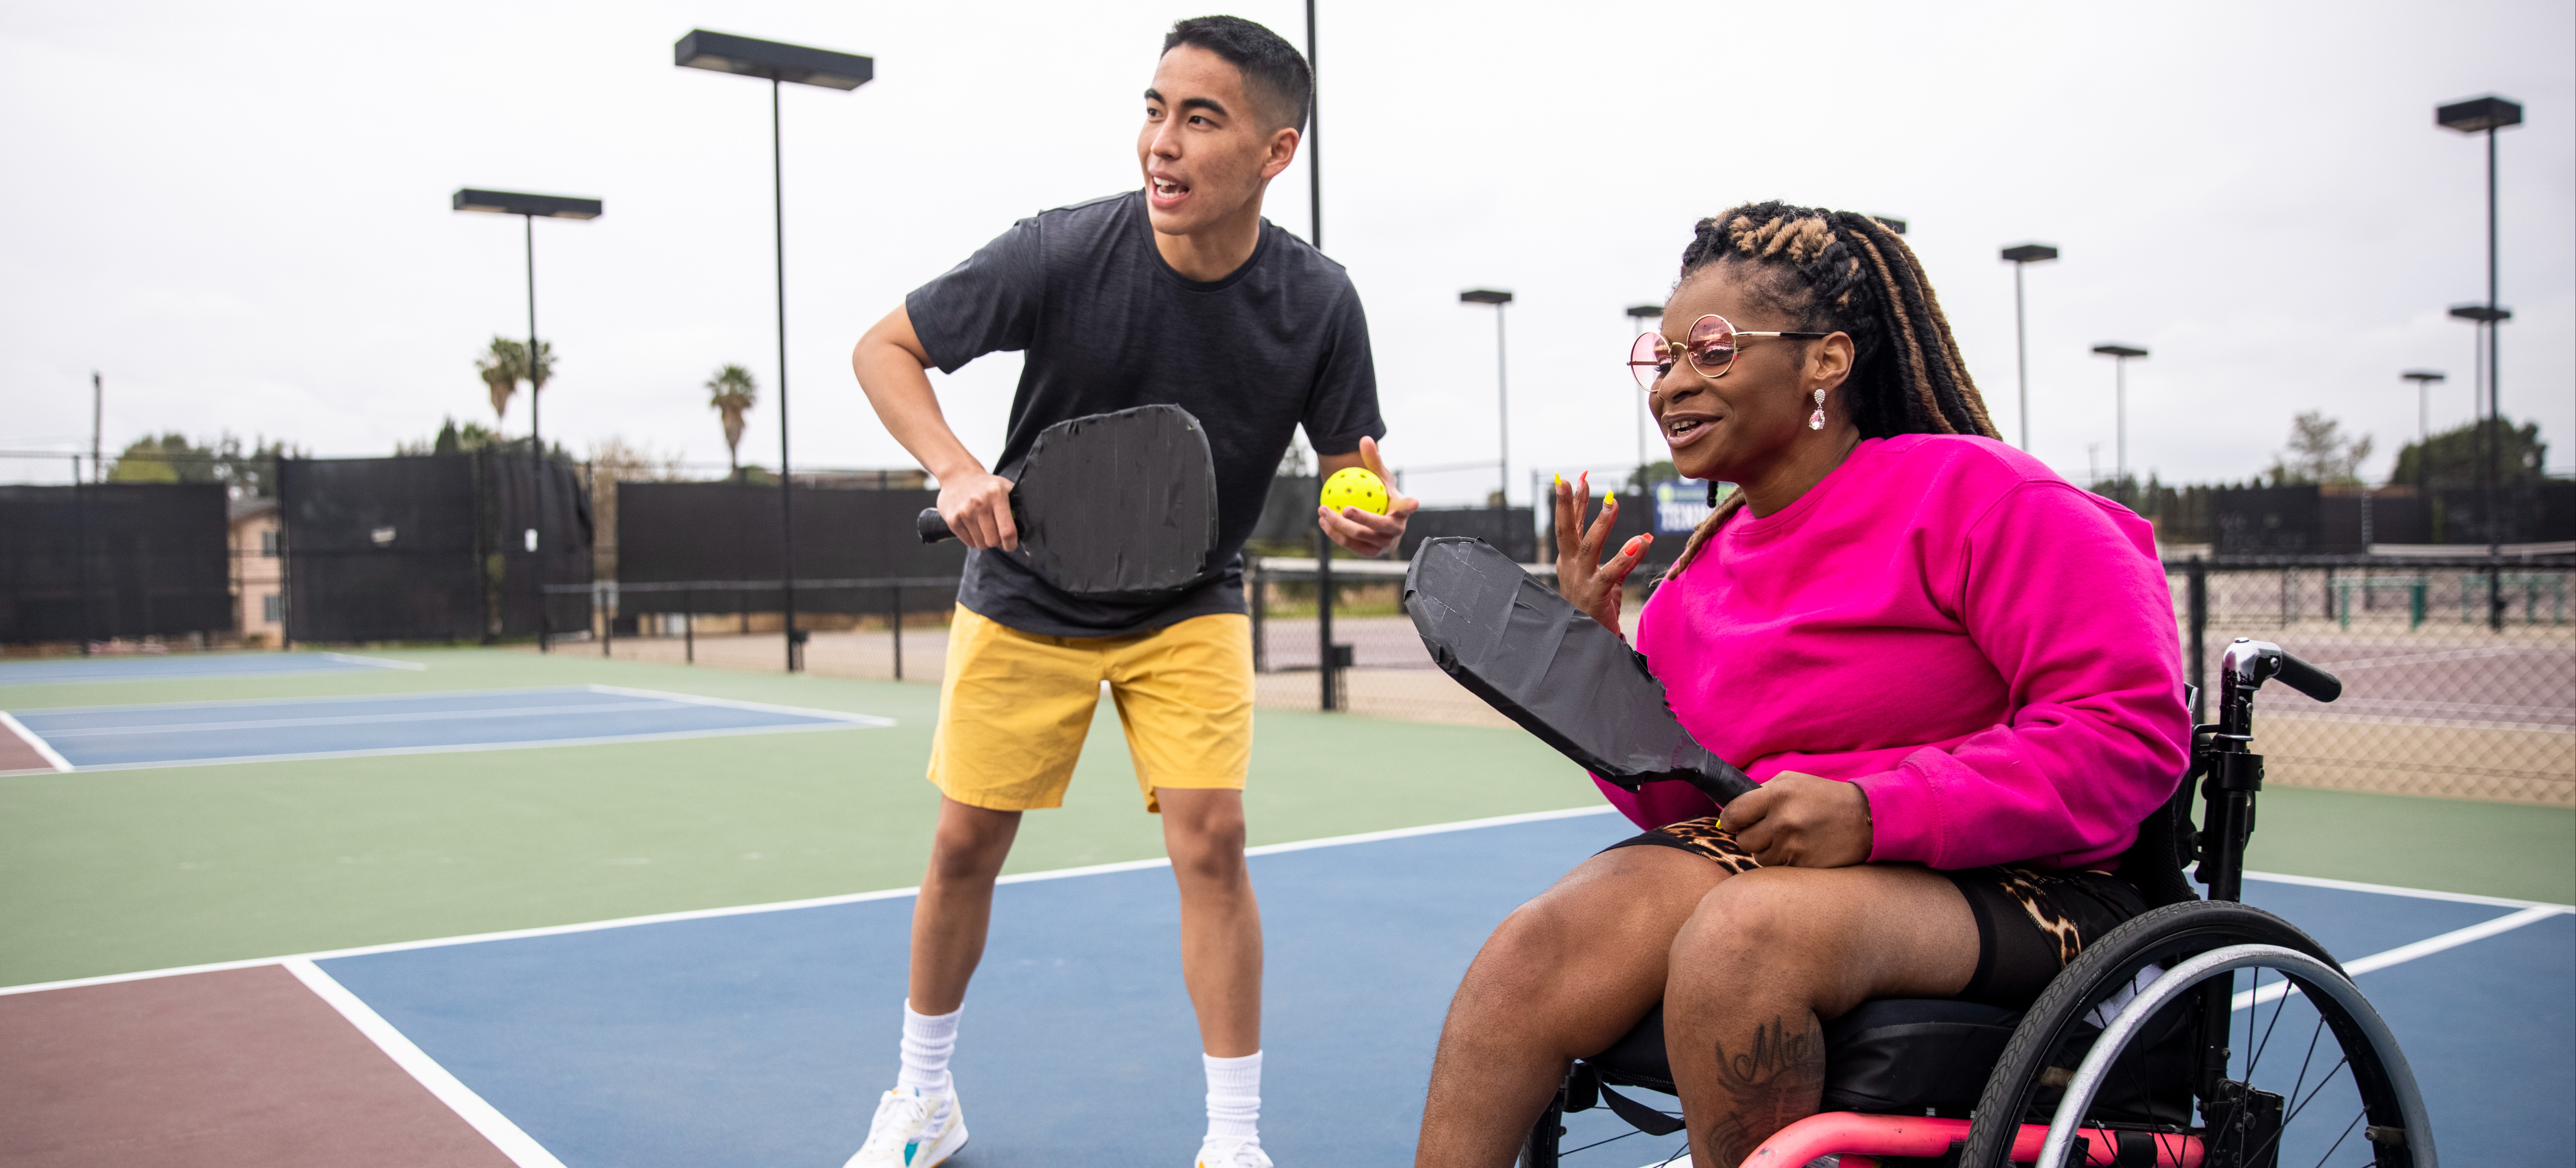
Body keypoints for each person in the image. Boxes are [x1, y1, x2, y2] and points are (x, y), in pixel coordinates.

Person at [1411, 203, 2189, 1168]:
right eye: (1662, 358)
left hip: (2031, 883)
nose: (1674, 383)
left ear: (1825, 361)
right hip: (1810, 875)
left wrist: (1875, 811)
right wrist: (1599, 675)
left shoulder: (1990, 499)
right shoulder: (1691, 586)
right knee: (1532, 952)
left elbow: (2128, 732)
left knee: (1745, 936)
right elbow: (1683, 802)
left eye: (1712, 350)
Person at [846, 16, 1412, 1168]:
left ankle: (1234, 1139)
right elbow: (883, 349)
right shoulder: (1058, 252)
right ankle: (923, 1096)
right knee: (965, 843)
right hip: (1026, 589)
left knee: (1214, 841)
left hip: (1188, 598)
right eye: (1154, 110)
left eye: (1200, 119)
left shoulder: (1317, 301)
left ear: (1276, 152)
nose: (1162, 141)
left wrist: (1358, 508)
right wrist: (954, 467)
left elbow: (1349, 462)